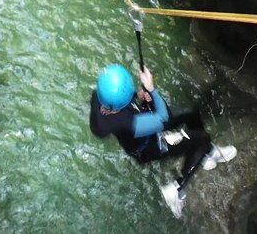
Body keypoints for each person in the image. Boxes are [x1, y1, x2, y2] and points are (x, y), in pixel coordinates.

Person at [89, 64, 237, 218]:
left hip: (142, 129)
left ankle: (205, 153)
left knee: (190, 112)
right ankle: (176, 189)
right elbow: (163, 117)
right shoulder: (129, 123)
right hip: (148, 147)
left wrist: (141, 97)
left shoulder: (100, 97)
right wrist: (151, 89)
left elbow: (127, 104)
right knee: (202, 139)